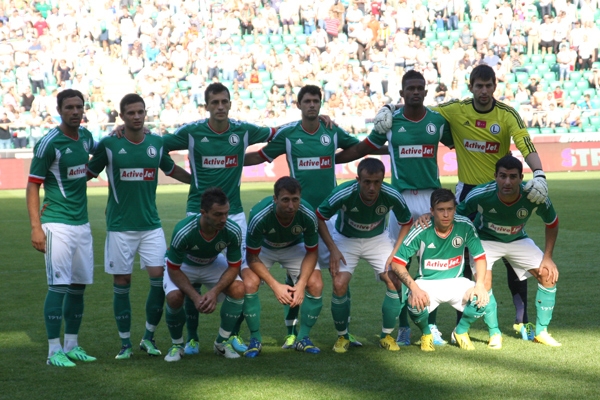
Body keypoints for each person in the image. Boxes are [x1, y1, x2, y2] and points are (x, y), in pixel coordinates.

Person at [161, 82, 333, 354]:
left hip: (235, 214)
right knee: (191, 276)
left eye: (224, 102)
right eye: (214, 102)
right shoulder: (192, 132)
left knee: (240, 278)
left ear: (230, 104)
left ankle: (232, 335)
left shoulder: (243, 130)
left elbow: (277, 131)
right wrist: (182, 176)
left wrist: (312, 118)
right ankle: (192, 338)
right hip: (198, 210)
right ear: (206, 106)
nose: (220, 107)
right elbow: (157, 146)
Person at [373, 64, 549, 329]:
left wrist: (539, 173)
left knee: (511, 246)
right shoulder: (456, 109)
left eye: (489, 86)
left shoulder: (507, 114)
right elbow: (418, 108)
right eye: (479, 86)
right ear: (471, 86)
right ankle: (459, 318)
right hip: (467, 192)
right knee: (461, 249)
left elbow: (525, 144)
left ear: (494, 87)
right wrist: (389, 108)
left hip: (499, 191)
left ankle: (520, 319)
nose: (484, 91)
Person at [334, 70, 454, 347]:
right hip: (399, 201)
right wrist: (331, 158)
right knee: (399, 264)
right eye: (410, 88)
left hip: (430, 199)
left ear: (426, 92)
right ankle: (402, 328)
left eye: (419, 88)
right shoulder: (390, 122)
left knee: (431, 265)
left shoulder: (437, 121)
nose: (415, 92)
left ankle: (430, 326)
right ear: (402, 93)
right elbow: (364, 147)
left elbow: (459, 140)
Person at [245, 84, 361, 348]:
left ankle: (344, 333)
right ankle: (292, 333)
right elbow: (262, 155)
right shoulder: (288, 134)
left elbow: (355, 148)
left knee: (340, 272)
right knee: (297, 276)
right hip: (298, 214)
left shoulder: (330, 130)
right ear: (298, 105)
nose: (312, 105)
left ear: (321, 104)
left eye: (316, 101)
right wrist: (229, 159)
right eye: (307, 101)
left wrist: (386, 146)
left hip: (329, 214)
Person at [87, 94, 191, 359]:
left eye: (140, 112)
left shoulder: (156, 143)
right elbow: (87, 173)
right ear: (121, 117)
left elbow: (172, 170)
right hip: (120, 227)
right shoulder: (110, 145)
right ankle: (125, 344)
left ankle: (148, 337)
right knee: (123, 282)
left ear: (146, 114)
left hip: (151, 226)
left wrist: (199, 184)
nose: (136, 116)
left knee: (160, 280)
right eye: (131, 113)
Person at [456, 155, 561, 346]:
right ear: (495, 176)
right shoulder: (480, 194)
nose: (507, 182)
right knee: (484, 285)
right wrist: (463, 245)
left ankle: (542, 332)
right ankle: (494, 333)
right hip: (485, 240)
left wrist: (548, 257)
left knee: (548, 275)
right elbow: (457, 216)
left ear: (521, 178)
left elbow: (552, 223)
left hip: (518, 239)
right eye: (502, 176)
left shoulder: (533, 195)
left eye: (513, 177)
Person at [26, 89, 97, 367]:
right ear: (59, 110)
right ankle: (53, 350)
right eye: (69, 107)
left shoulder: (87, 138)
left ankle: (72, 345)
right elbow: (33, 185)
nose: (75, 111)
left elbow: (98, 155)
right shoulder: (49, 144)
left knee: (78, 288)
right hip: (56, 223)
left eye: (79, 106)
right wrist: (36, 227)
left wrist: (117, 132)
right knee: (58, 286)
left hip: (82, 224)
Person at [316, 158, 413, 353]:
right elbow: (319, 216)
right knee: (339, 283)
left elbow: (407, 221)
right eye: (367, 181)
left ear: (382, 180)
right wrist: (333, 248)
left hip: (378, 239)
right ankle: (343, 336)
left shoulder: (391, 194)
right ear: (358, 179)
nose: (372, 187)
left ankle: (386, 336)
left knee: (394, 279)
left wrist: (395, 252)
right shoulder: (344, 192)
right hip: (345, 239)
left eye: (377, 182)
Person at [390, 188, 494, 351]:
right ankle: (426, 334)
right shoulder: (421, 229)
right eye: (440, 210)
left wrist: (479, 284)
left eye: (449, 209)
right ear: (431, 211)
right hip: (427, 282)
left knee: (482, 299)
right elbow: (397, 263)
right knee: (414, 302)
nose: (446, 214)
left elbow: (479, 257)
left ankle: (460, 332)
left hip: (456, 281)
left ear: (455, 209)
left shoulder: (465, 225)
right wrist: (415, 288)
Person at [162, 188, 246, 361]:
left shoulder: (233, 230)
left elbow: (233, 266)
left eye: (226, 213)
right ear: (203, 213)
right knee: (174, 297)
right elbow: (173, 268)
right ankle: (177, 345)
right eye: (217, 214)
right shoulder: (183, 230)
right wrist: (194, 296)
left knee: (239, 289)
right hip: (183, 266)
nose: (223, 219)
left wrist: (214, 292)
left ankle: (221, 343)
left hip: (212, 262)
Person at [243, 177, 322, 356]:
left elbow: (312, 252)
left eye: (295, 200)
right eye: (285, 200)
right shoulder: (259, 215)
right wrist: (275, 285)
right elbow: (252, 256)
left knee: (315, 284)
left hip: (293, 246)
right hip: (264, 248)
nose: (291, 206)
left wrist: (301, 285)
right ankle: (255, 339)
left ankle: (303, 338)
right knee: (249, 283)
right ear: (275, 199)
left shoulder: (308, 214)